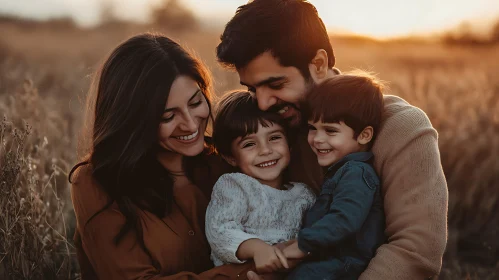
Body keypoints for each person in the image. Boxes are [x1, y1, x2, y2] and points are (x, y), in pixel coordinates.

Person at [216, 1, 448, 279]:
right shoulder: (271, 129)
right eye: (253, 89)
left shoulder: (401, 127)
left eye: (275, 84)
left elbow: (415, 251)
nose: (263, 103)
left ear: (318, 64)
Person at [69, 33, 257, 279]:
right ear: (133, 121)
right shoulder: (97, 182)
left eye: (195, 102)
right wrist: (247, 271)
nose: (190, 125)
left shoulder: (224, 160)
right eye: (168, 116)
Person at [282, 73, 386, 279]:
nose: (317, 139)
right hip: (327, 258)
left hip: (344, 263)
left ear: (364, 135)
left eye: (330, 131)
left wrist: (303, 245)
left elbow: (344, 219)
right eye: (313, 128)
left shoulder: (357, 173)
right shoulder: (341, 170)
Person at [205, 91, 315, 273]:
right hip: (239, 274)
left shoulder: (303, 194)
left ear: (289, 144)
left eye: (274, 138)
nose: (265, 151)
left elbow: (316, 232)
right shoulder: (235, 186)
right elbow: (220, 230)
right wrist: (257, 248)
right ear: (231, 157)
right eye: (249, 144)